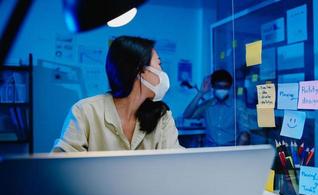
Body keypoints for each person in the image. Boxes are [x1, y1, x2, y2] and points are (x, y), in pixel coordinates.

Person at [52, 36, 182, 152]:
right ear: (140, 70)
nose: (162, 72)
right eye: (159, 64)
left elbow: (176, 163)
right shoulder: (85, 111)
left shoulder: (162, 116)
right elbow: (61, 166)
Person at [183, 69, 249, 147]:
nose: (222, 90)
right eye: (218, 87)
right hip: (210, 150)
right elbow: (187, 115)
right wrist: (201, 92)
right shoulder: (207, 105)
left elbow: (245, 134)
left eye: (225, 87)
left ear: (229, 87)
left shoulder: (238, 106)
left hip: (230, 150)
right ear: (213, 87)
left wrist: (235, 153)